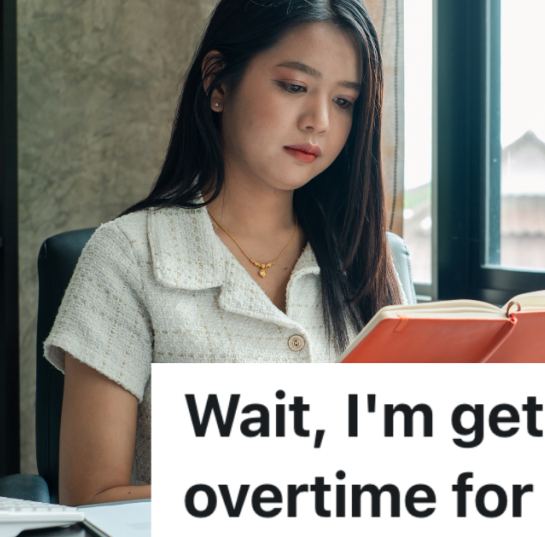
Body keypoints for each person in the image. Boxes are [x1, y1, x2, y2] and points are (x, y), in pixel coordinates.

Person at [44, 0, 405, 506]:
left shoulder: (367, 259)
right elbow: (91, 496)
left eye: (344, 101)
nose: (319, 121)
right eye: (294, 87)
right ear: (217, 82)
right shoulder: (127, 256)